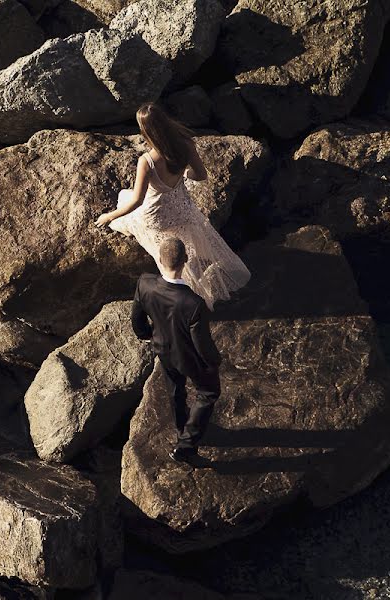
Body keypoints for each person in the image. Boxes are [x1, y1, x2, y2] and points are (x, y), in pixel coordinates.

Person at [95, 102, 250, 309]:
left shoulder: (147, 161)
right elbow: (201, 175)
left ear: (146, 131)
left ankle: (185, 288)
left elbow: (137, 201)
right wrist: (185, 173)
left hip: (157, 216)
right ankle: (195, 275)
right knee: (188, 246)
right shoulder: (185, 143)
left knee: (125, 201)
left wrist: (109, 216)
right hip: (182, 211)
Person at [130, 237, 222, 463]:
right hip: (187, 355)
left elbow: (137, 317)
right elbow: (201, 343)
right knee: (208, 393)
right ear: (186, 260)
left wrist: (145, 335)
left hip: (161, 348)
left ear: (160, 260)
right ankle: (186, 446)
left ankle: (182, 427)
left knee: (175, 389)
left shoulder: (145, 283)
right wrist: (214, 361)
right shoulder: (194, 303)